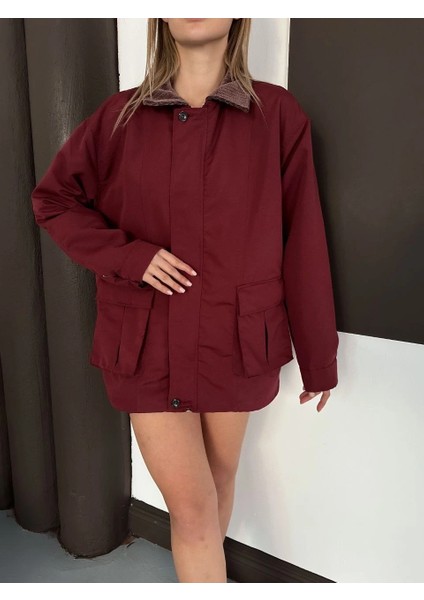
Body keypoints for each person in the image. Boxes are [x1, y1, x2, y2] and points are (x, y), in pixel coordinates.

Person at [31, 18, 339, 583]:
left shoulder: (276, 115)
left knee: (214, 492)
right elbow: (53, 200)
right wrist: (130, 256)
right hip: (146, 342)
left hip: (236, 339)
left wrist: (319, 355)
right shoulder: (119, 117)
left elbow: (304, 239)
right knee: (194, 511)